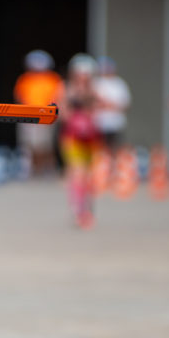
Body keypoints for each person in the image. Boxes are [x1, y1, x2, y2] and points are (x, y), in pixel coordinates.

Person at [58, 53, 102, 228]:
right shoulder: (66, 88)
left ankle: (86, 208)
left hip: (91, 137)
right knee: (77, 173)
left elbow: (101, 108)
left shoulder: (94, 90)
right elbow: (61, 112)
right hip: (72, 137)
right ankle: (78, 209)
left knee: (89, 176)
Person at [13, 49, 64, 176]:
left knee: (46, 145)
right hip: (28, 116)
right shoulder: (25, 79)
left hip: (46, 116)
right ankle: (32, 170)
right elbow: (20, 98)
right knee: (28, 145)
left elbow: (58, 98)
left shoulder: (53, 79)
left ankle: (48, 169)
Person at [93, 56, 131, 153]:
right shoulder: (96, 83)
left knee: (116, 150)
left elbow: (125, 104)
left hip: (116, 124)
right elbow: (93, 102)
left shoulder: (119, 83)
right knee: (101, 151)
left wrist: (108, 104)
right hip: (99, 124)